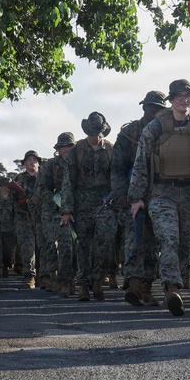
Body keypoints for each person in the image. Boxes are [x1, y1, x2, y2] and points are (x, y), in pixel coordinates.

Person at [129, 79, 190, 317]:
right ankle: (171, 290)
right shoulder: (155, 128)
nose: (184, 100)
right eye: (179, 96)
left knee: (184, 244)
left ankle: (176, 282)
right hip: (162, 193)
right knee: (169, 238)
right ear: (171, 100)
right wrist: (136, 197)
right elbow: (141, 163)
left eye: (188, 96)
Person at [113, 91, 167, 307]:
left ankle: (146, 288)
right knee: (133, 240)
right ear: (143, 108)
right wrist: (122, 194)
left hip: (160, 195)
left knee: (153, 243)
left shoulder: (168, 131)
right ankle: (134, 284)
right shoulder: (129, 133)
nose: (154, 111)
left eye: (158, 108)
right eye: (150, 107)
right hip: (131, 195)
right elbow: (117, 167)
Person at [61, 112, 116, 302]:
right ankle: (83, 284)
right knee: (83, 244)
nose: (95, 137)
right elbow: (68, 182)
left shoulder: (110, 149)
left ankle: (98, 279)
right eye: (92, 132)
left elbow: (116, 177)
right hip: (81, 202)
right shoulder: (77, 151)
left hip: (105, 202)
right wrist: (67, 209)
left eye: (98, 132)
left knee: (105, 241)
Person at [37, 132, 77, 296]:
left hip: (76, 210)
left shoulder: (79, 164)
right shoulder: (49, 166)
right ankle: (62, 281)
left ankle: (74, 279)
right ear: (58, 149)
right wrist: (56, 199)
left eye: (69, 146)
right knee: (61, 246)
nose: (66, 150)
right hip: (53, 212)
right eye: (63, 147)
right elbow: (40, 188)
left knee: (77, 248)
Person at [10, 150, 42, 288]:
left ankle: (44, 276)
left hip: (42, 217)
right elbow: (11, 200)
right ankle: (30, 276)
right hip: (24, 216)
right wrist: (17, 192)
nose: (32, 162)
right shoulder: (19, 179)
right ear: (24, 163)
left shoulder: (44, 177)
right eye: (29, 159)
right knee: (27, 248)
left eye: (35, 160)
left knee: (44, 247)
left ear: (39, 163)